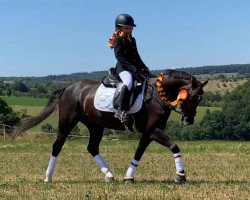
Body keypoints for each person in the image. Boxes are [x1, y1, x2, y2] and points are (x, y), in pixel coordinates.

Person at [108, 13, 152, 125]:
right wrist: (133, 68)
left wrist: (144, 67)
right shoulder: (118, 40)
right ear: (119, 28)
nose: (130, 29)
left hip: (134, 68)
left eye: (131, 28)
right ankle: (120, 110)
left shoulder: (132, 40)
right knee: (128, 82)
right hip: (123, 69)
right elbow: (120, 58)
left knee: (146, 82)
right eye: (127, 28)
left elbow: (136, 56)